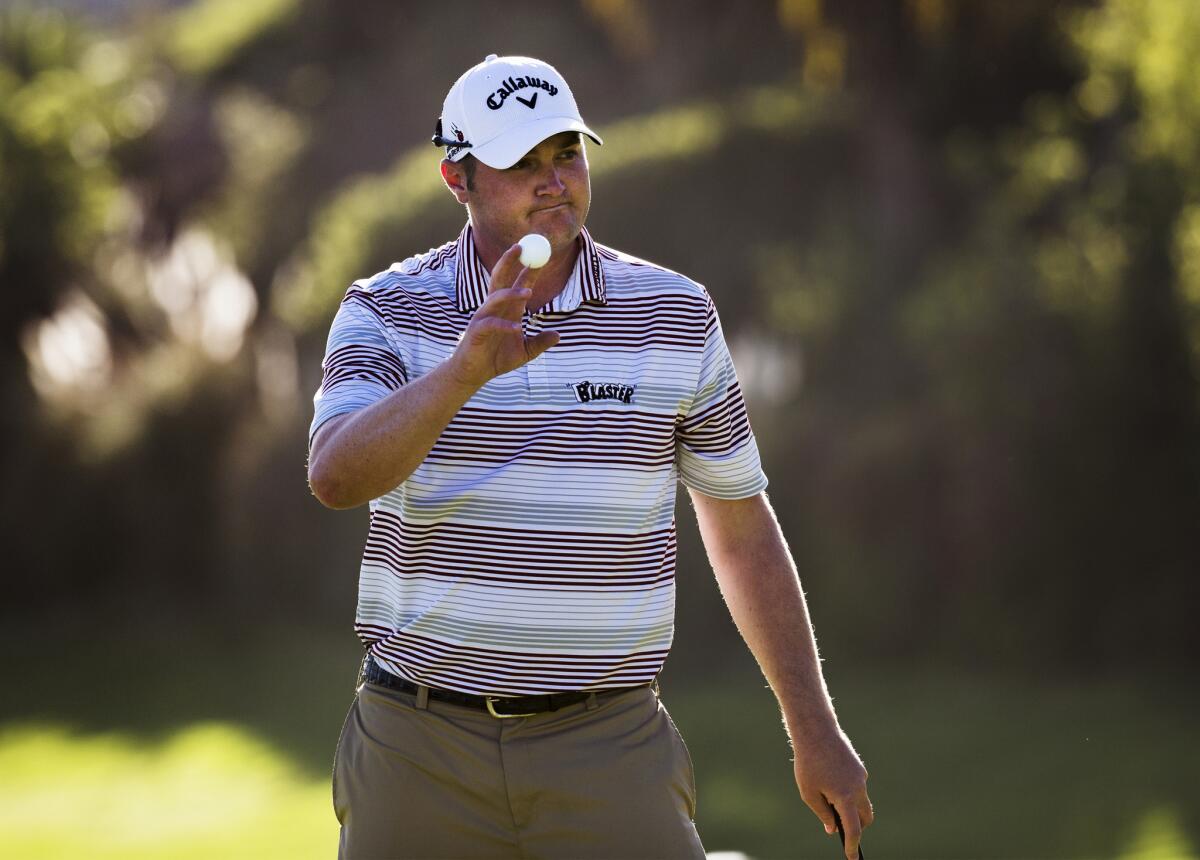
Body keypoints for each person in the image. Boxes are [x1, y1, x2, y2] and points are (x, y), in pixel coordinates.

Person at [308, 53, 873, 860]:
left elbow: (742, 530)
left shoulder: (673, 313)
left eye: (566, 153)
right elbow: (335, 474)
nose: (553, 182)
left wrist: (813, 727)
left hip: (610, 741)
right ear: (456, 179)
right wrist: (462, 371)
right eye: (520, 164)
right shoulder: (386, 306)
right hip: (417, 743)